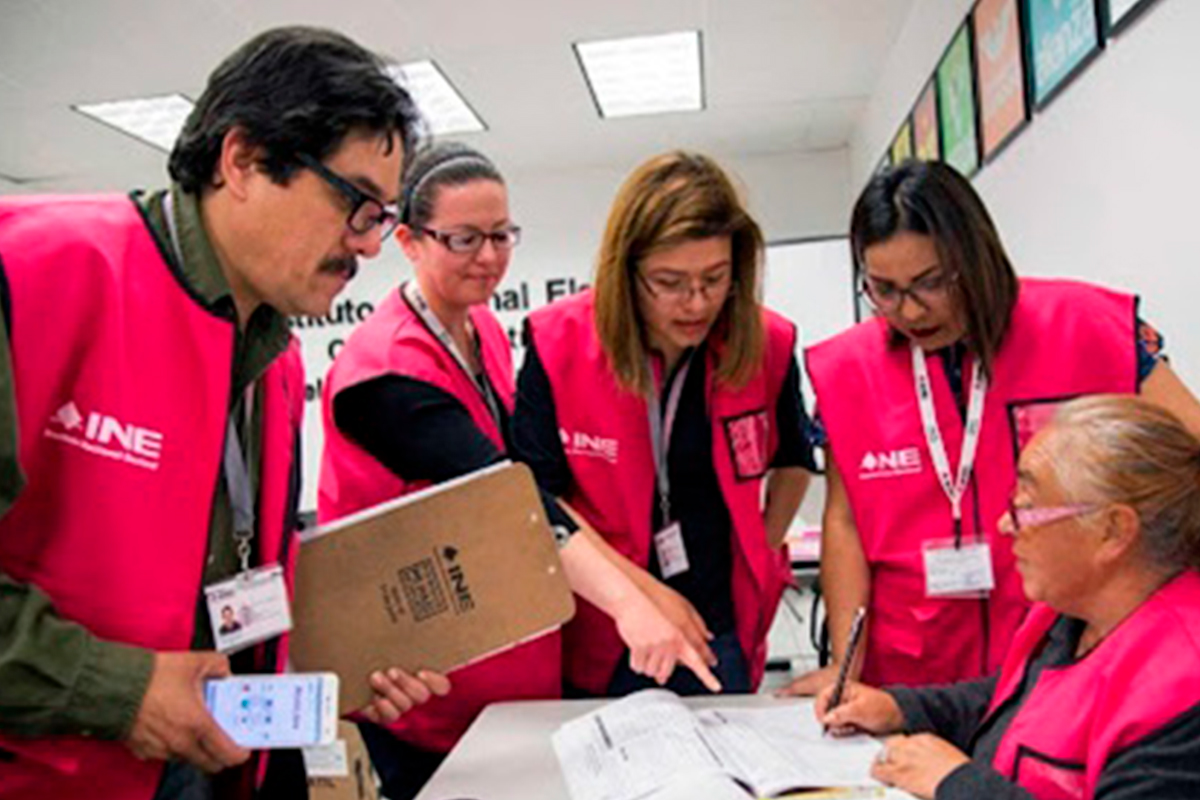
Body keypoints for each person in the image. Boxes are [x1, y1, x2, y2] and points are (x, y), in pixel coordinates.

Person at [0, 27, 445, 800]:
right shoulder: (35, 274)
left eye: (381, 215)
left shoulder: (275, 364)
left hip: (214, 764)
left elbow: (230, 593)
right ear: (241, 161)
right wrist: (122, 689)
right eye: (356, 205)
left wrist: (328, 662)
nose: (368, 246)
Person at [318, 141, 718, 800]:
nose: (490, 256)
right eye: (465, 238)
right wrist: (631, 605)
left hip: (510, 673)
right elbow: (507, 497)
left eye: (502, 235)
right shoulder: (383, 371)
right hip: (431, 694)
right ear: (409, 241)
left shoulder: (484, 332)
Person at [782, 160, 1200, 697]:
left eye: (931, 283)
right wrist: (846, 666)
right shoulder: (846, 371)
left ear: (974, 256)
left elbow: (1188, 452)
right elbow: (844, 523)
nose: (908, 310)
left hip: (1073, 651)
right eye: (883, 289)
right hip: (914, 664)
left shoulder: (1085, 325)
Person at [513, 150, 818, 697]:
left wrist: (759, 553)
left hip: (719, 623)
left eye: (714, 278)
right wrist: (646, 594)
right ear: (625, 273)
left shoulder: (767, 341)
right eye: (669, 282)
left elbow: (794, 460)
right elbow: (537, 499)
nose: (696, 303)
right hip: (604, 624)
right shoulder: (558, 343)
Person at [818, 396, 1200, 800]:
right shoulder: (1077, 617)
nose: (1005, 525)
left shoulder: (1182, 685)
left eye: (1025, 510)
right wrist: (901, 708)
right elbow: (1012, 707)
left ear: (1112, 530)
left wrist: (958, 783)